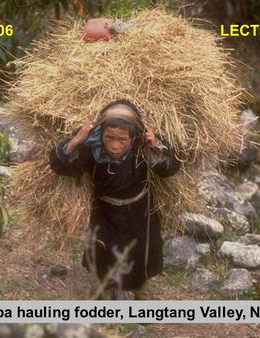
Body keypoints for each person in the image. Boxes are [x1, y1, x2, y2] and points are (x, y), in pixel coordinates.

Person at [49, 99, 180, 299]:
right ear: (101, 134)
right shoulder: (92, 149)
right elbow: (61, 167)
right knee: (104, 253)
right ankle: (106, 290)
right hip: (104, 213)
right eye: (109, 137)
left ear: (133, 137)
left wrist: (157, 148)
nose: (115, 146)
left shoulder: (144, 146)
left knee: (139, 256)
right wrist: (75, 142)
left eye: (122, 139)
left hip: (139, 213)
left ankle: (140, 293)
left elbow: (169, 169)